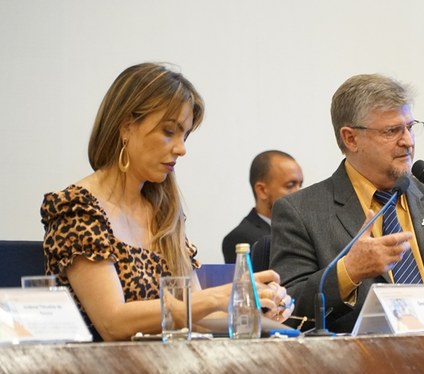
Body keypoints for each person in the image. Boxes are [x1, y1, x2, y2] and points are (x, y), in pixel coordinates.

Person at [41, 63, 294, 341]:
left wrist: (254, 311)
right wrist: (218, 296)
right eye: (169, 131)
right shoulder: (77, 207)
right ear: (126, 127)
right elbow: (113, 322)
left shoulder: (165, 211)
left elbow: (199, 318)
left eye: (184, 135)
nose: (181, 148)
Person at [270, 73, 424, 333]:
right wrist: (349, 271)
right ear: (350, 138)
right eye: (392, 131)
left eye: (410, 127)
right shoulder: (301, 211)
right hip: (361, 365)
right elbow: (287, 313)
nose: (408, 141)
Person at [222, 150, 303, 263]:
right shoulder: (241, 238)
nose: (299, 192)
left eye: (300, 185)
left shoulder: (302, 229)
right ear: (262, 190)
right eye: (290, 185)